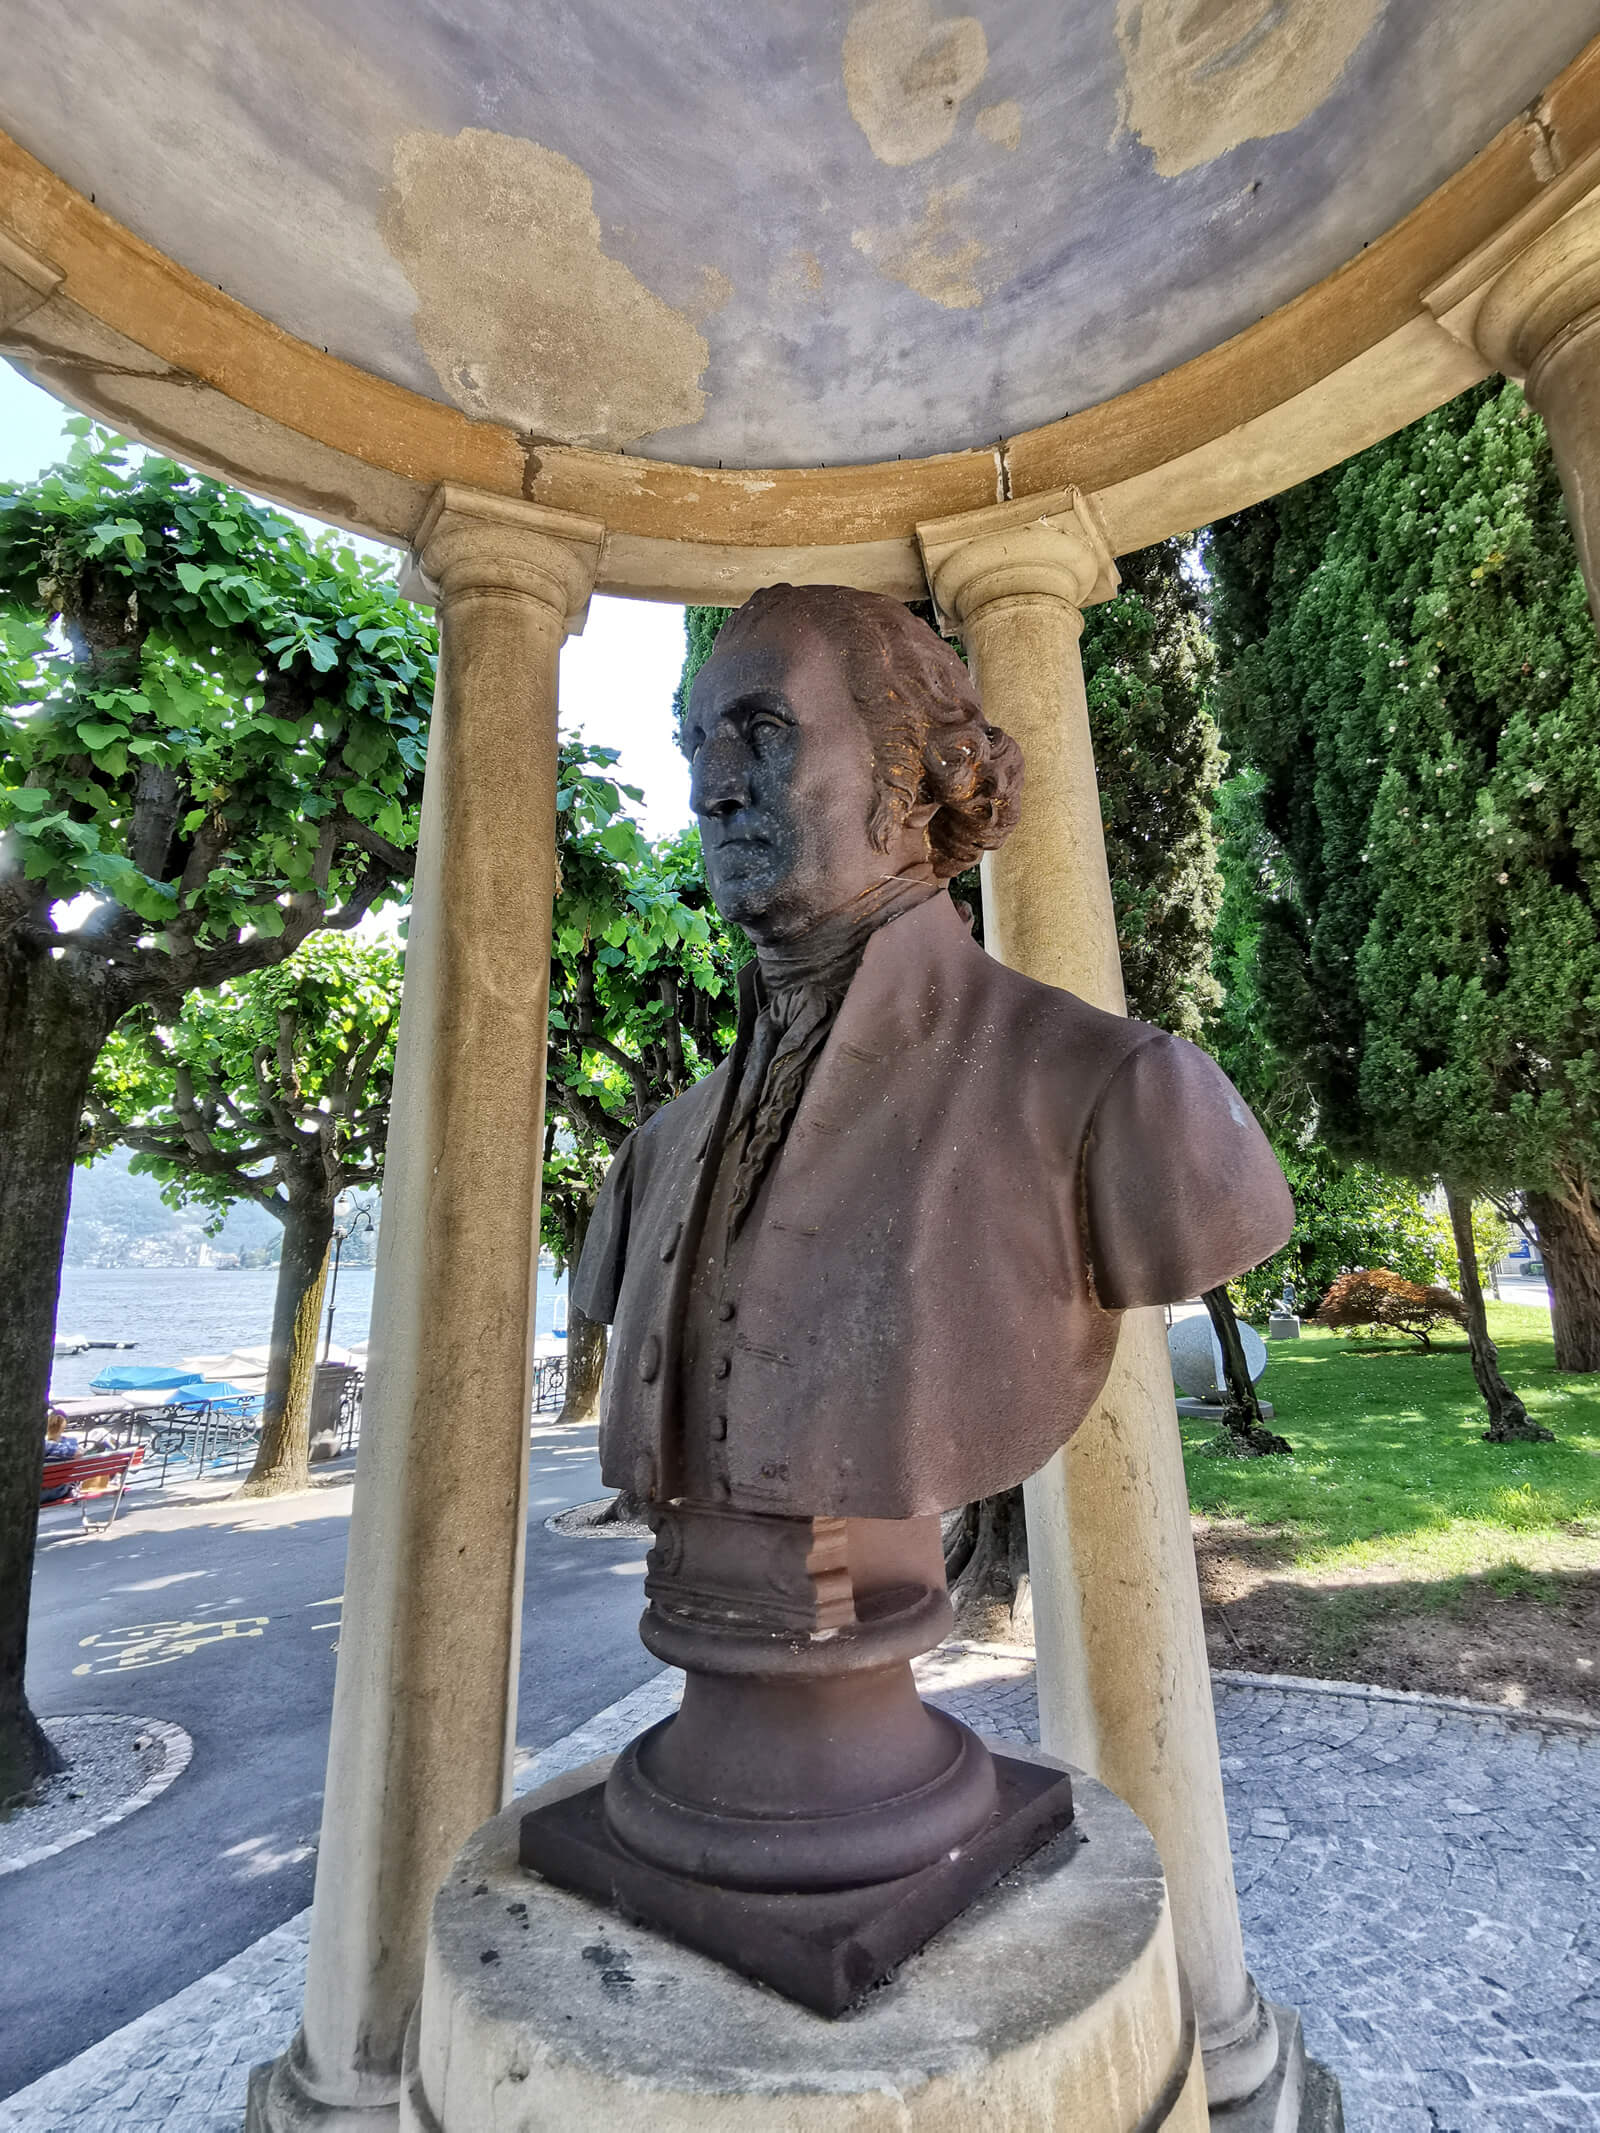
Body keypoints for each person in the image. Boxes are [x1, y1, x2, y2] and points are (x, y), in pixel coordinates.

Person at [575, 583, 1293, 1522]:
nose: (713, 788)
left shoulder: (1123, 1098)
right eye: (697, 744)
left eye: (763, 731)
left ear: (914, 772)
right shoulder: (653, 1157)